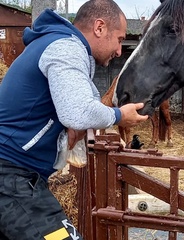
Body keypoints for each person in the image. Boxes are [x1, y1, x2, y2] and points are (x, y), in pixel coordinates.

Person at [0, 0, 148, 239]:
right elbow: (78, 111)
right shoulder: (66, 48)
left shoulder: (58, 44)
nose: (120, 51)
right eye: (120, 40)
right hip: (12, 178)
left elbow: (77, 110)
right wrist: (120, 116)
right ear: (99, 28)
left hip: (20, 177)